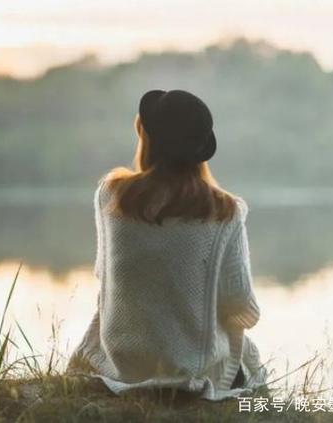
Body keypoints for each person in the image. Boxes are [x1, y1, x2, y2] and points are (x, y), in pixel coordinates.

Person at [66, 89, 267, 400]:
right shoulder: (225, 211)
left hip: (123, 363)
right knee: (244, 354)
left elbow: (104, 276)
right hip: (190, 371)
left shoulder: (111, 195)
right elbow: (241, 306)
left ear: (148, 140)